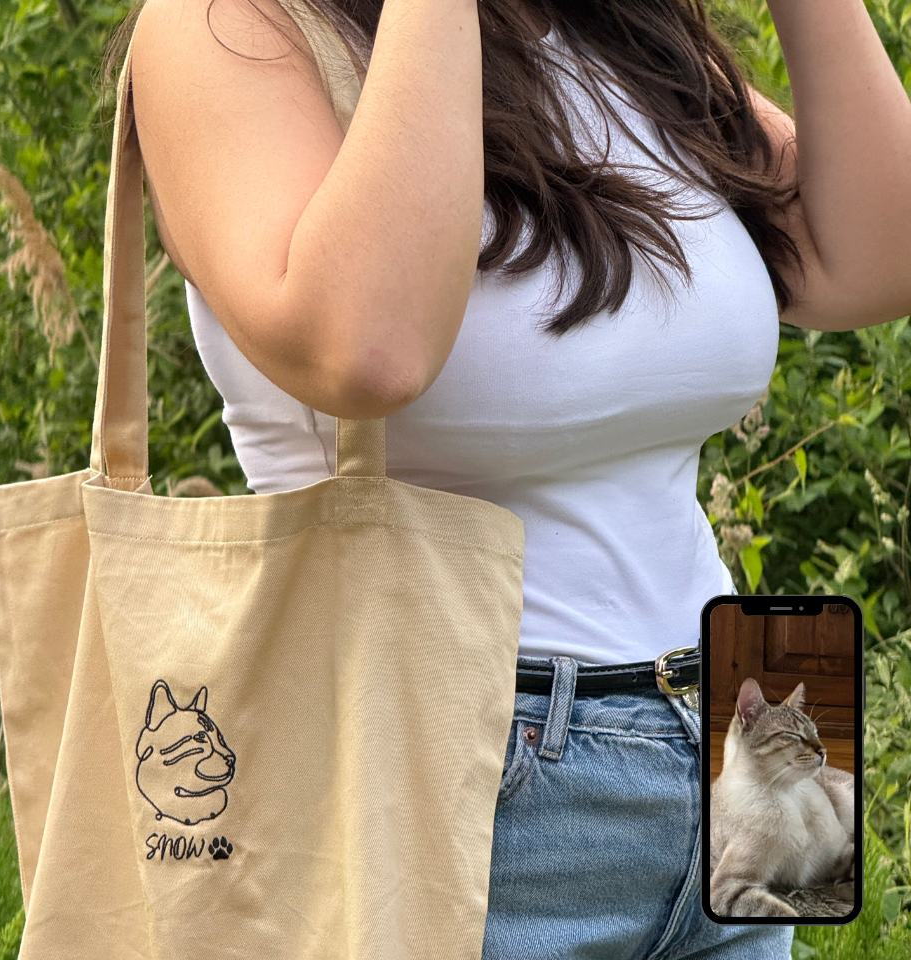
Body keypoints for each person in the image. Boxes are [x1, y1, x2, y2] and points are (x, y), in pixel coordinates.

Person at [111, 0, 910, 955]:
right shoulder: (230, 29)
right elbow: (368, 351)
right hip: (447, 780)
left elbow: (877, 259)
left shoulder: (617, 31)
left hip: (729, 754)